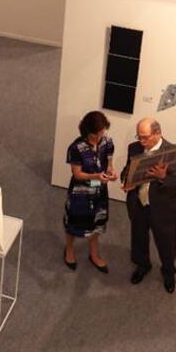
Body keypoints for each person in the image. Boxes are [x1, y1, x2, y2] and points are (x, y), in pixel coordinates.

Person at [121, 117, 176, 293]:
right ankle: (143, 265)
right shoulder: (134, 148)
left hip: (163, 207)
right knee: (139, 237)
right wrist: (127, 181)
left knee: (167, 243)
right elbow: (127, 170)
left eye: (145, 137)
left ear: (158, 133)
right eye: (139, 136)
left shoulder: (173, 152)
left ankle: (168, 272)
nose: (141, 141)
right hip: (138, 203)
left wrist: (163, 177)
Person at [63, 111, 117, 272]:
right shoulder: (76, 148)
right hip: (81, 189)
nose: (99, 136)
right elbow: (77, 174)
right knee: (74, 221)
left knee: (97, 222)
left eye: (102, 132)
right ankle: (69, 249)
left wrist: (111, 172)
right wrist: (97, 176)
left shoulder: (107, 142)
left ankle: (94, 254)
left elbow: (109, 163)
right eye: (96, 133)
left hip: (98, 188)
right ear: (87, 131)